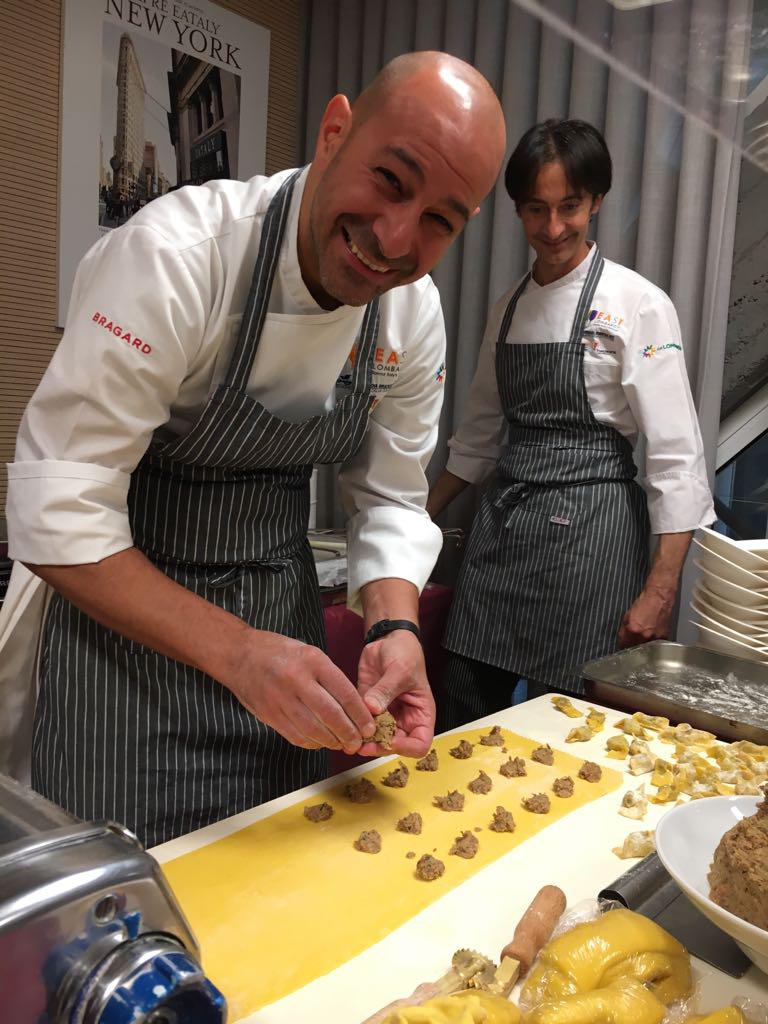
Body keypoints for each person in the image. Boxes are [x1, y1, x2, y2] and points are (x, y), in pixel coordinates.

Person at [1, 52, 506, 845]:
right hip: (124, 657)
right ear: (335, 131)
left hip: (283, 634)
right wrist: (236, 654)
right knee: (134, 917)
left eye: (441, 219)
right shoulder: (177, 256)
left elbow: (391, 498)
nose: (395, 238)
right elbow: (57, 512)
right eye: (391, 180)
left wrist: (394, 629)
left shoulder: (410, 316)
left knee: (277, 892)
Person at [427, 119, 715, 728]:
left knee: (575, 726)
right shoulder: (507, 309)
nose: (553, 228)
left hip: (595, 539)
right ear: (516, 209)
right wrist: (415, 520)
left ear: (596, 201)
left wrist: (659, 593)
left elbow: (675, 461)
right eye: (536, 209)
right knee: (461, 703)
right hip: (504, 530)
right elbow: (477, 440)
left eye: (569, 207)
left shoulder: (638, 304)